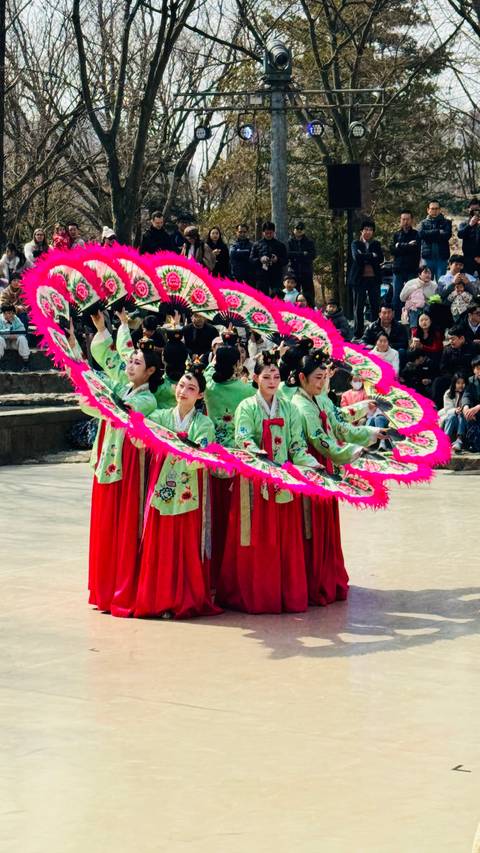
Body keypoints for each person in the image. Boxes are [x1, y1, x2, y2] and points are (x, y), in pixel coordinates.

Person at [216, 351, 319, 614]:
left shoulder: (289, 408)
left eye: (276, 376)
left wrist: (309, 463)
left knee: (284, 538)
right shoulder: (246, 407)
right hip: (255, 480)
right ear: (255, 378)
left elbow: (296, 444)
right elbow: (243, 438)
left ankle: (284, 593)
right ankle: (256, 594)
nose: (272, 381)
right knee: (256, 538)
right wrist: (257, 455)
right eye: (266, 376)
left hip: (283, 480)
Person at [75, 313, 161, 616]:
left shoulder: (146, 400)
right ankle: (105, 588)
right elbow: (113, 358)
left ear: (150, 371)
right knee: (105, 526)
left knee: (124, 527)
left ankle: (123, 589)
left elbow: (116, 411)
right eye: (131, 361)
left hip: (129, 470)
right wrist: (102, 330)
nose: (129, 365)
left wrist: (94, 396)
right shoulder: (123, 387)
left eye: (137, 363)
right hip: (109, 463)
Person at [291, 350, 385, 604]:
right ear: (302, 377)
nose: (322, 383)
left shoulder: (320, 400)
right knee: (311, 525)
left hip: (329, 462)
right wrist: (354, 450)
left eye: (325, 377)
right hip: (311, 465)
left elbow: (338, 424)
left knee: (325, 524)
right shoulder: (299, 405)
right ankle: (313, 581)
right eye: (317, 378)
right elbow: (321, 442)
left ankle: (326, 577)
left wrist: (372, 429)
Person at [134, 365, 221, 619]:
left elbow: (203, 452)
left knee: (185, 545)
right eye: (182, 385)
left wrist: (187, 450)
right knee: (159, 543)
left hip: (188, 491)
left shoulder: (204, 423)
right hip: (161, 487)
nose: (184, 391)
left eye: (191, 388)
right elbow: (141, 436)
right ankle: (157, 599)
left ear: (201, 396)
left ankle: (185, 600)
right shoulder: (161, 417)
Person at [204, 346, 255, 576]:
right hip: (236, 453)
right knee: (233, 512)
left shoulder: (208, 385)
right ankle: (231, 566)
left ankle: (211, 564)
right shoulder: (245, 391)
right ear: (237, 365)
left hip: (212, 449)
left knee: (212, 510)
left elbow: (205, 371)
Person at [348, 219, 384, 339]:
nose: (368, 232)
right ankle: (358, 333)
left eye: (370, 230)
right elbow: (357, 258)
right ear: (361, 231)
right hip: (359, 280)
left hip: (374, 279)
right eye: (366, 230)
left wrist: (366, 257)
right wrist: (371, 256)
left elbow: (380, 259)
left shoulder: (376, 244)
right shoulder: (355, 244)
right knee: (358, 307)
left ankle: (374, 332)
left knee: (375, 306)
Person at [432, 326, 475, 408]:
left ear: (461, 338)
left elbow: (475, 365)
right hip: (452, 378)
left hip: (468, 378)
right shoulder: (447, 350)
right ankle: (436, 407)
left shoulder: (473, 348)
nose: (451, 341)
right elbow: (443, 367)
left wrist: (464, 378)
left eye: (453, 339)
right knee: (438, 381)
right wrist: (454, 378)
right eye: (449, 339)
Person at [390, 210, 421, 319]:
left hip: (412, 270)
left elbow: (415, 249)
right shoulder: (396, 235)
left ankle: (411, 321)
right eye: (403, 219)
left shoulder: (416, 234)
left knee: (412, 296)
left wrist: (400, 246)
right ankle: (397, 320)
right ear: (400, 220)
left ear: (411, 220)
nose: (405, 221)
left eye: (407, 219)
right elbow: (392, 250)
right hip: (398, 270)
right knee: (397, 296)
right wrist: (407, 246)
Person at [249, 220, 288, 297]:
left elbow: (285, 260)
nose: (269, 235)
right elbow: (251, 259)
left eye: (271, 233)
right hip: (261, 277)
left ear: (274, 232)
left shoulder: (280, 245)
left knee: (276, 298)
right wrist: (260, 259)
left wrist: (277, 259)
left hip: (276, 277)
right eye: (266, 233)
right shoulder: (256, 245)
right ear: (263, 232)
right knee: (261, 300)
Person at [418, 200, 452, 281]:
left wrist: (429, 235)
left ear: (440, 209)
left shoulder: (446, 222)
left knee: (441, 284)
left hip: (442, 258)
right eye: (432, 208)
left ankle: (438, 295)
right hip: (427, 259)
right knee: (426, 282)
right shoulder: (423, 223)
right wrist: (438, 232)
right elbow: (421, 235)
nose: (434, 211)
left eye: (436, 208)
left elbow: (446, 235)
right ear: (428, 210)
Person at [287, 221, 316, 306]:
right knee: (293, 295)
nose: (299, 230)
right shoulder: (290, 242)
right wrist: (302, 253)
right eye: (297, 228)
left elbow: (312, 255)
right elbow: (288, 254)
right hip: (293, 272)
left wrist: (296, 255)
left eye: (301, 229)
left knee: (309, 295)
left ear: (304, 230)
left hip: (306, 272)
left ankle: (311, 313)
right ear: (294, 229)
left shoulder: (309, 242)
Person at [438, 373, 468, 452]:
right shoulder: (448, 393)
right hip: (451, 418)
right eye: (458, 383)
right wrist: (455, 410)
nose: (461, 385)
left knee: (461, 415)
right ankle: (445, 441)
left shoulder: (467, 393)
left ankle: (459, 441)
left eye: (463, 383)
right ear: (454, 383)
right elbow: (447, 409)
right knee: (452, 416)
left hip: (463, 420)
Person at [457, 199, 480, 276]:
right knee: (467, 284)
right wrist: (470, 225)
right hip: (468, 259)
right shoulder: (464, 224)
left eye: (477, 210)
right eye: (472, 210)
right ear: (468, 210)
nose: (474, 212)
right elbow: (460, 235)